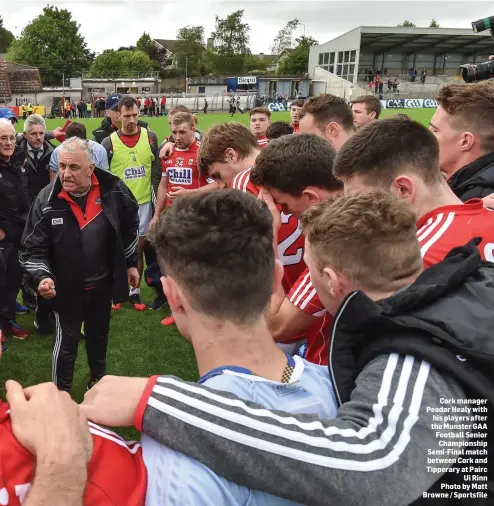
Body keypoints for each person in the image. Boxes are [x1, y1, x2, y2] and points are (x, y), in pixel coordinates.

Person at [81, 190, 494, 506]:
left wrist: (159, 400)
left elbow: (378, 468)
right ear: (276, 276)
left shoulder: (412, 355)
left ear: (173, 295)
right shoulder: (348, 385)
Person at [19, 137, 140, 392]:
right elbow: (31, 247)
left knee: (99, 338)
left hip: (102, 284)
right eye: (62, 166)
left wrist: (130, 263)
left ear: (90, 169)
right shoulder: (46, 201)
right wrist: (42, 277)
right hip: (66, 287)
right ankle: (60, 394)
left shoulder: (113, 190)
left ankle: (98, 382)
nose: (65, 173)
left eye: (74, 167)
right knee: (66, 344)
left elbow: (130, 224)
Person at [198, 123, 306, 322]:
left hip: (273, 296)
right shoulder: (294, 165)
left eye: (218, 176)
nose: (221, 186)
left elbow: (245, 257)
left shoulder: (242, 182)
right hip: (307, 293)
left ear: (231, 155)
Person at [250, 134, 342, 363]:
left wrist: (270, 231)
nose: (284, 212)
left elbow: (276, 325)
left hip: (333, 371)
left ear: (311, 197)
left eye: (283, 205)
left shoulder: (337, 243)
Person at [151, 111, 217, 321]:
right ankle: (177, 309)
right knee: (174, 264)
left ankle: (200, 307)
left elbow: (219, 184)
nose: (177, 137)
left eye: (182, 132)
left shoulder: (203, 155)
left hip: (197, 218)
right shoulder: (167, 154)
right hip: (172, 218)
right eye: (174, 132)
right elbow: (163, 185)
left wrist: (188, 194)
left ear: (193, 130)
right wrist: (156, 214)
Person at [102, 95, 160, 311]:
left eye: (135, 115)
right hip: (118, 206)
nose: (131, 120)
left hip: (144, 204)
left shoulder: (151, 137)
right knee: (115, 249)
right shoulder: (108, 143)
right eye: (127, 116)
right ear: (118, 115)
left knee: (139, 248)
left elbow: (158, 170)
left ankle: (134, 294)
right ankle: (116, 293)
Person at [16, 114, 56, 330]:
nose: (39, 137)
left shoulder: (53, 152)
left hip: (44, 213)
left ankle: (43, 297)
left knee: (44, 255)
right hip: (21, 213)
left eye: (42, 133)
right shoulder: (15, 151)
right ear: (25, 135)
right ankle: (28, 298)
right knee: (22, 258)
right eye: (34, 134)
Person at [430, 80, 494, 200]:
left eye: (435, 130)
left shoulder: (477, 202)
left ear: (465, 141)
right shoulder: (468, 186)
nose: (427, 136)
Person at [0, 119, 30, 341]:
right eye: (3, 138)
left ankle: (7, 319)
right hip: (3, 231)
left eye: (11, 137)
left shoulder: (18, 157)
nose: (9, 142)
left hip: (21, 227)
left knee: (13, 278)